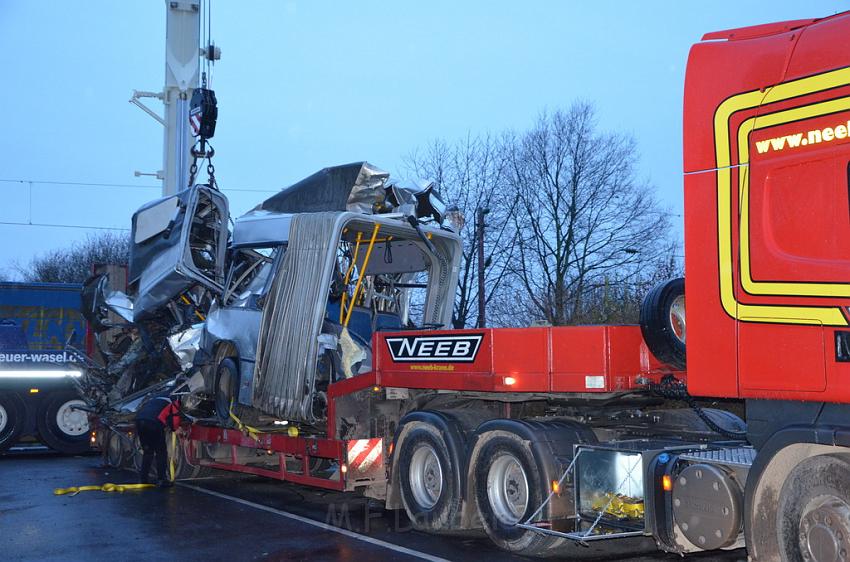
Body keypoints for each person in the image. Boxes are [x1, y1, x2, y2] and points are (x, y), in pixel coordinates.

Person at [134, 392, 181, 487]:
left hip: (139, 421)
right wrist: (175, 429)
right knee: (161, 452)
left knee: (148, 452)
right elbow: (175, 417)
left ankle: (143, 479)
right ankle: (161, 479)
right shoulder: (174, 401)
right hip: (153, 423)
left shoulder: (154, 399)